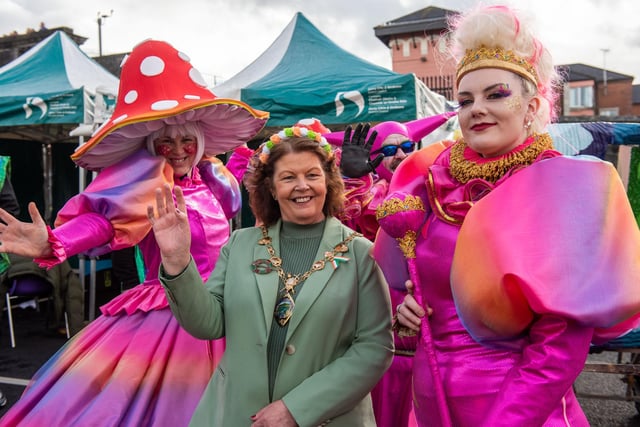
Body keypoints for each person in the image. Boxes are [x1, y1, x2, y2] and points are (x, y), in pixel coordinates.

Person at [375, 4, 640, 426]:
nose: (477, 108)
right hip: (430, 403)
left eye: (496, 94)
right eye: (466, 99)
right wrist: (406, 309)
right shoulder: (429, 181)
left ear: (532, 105)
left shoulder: (558, 189)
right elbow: (412, 287)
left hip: (516, 408)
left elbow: (559, 347)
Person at [0, 39, 268, 426]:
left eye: (186, 140)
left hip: (230, 307)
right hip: (170, 314)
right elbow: (103, 222)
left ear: (200, 142)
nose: (177, 149)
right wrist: (55, 242)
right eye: (166, 141)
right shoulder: (148, 184)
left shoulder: (213, 178)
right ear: (151, 144)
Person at [151, 126, 394, 426]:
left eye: (312, 175)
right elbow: (208, 323)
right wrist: (177, 261)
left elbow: (375, 348)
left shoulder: (361, 254)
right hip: (237, 415)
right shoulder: (240, 245)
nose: (302, 186)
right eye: (288, 177)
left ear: (328, 181)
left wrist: (297, 408)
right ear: (271, 188)